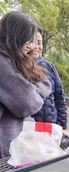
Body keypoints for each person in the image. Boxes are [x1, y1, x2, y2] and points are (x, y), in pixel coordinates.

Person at [0, 11, 51, 159]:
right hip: (5, 147)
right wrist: (31, 90)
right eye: (27, 39)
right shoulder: (3, 62)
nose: (30, 45)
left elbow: (46, 84)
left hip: (14, 143)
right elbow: (27, 103)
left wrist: (29, 88)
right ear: (16, 36)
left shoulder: (16, 58)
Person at [30, 27, 67, 129]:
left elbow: (59, 97)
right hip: (29, 128)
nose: (37, 46)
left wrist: (62, 126)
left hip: (51, 126)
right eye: (33, 41)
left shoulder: (49, 67)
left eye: (39, 42)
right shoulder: (17, 67)